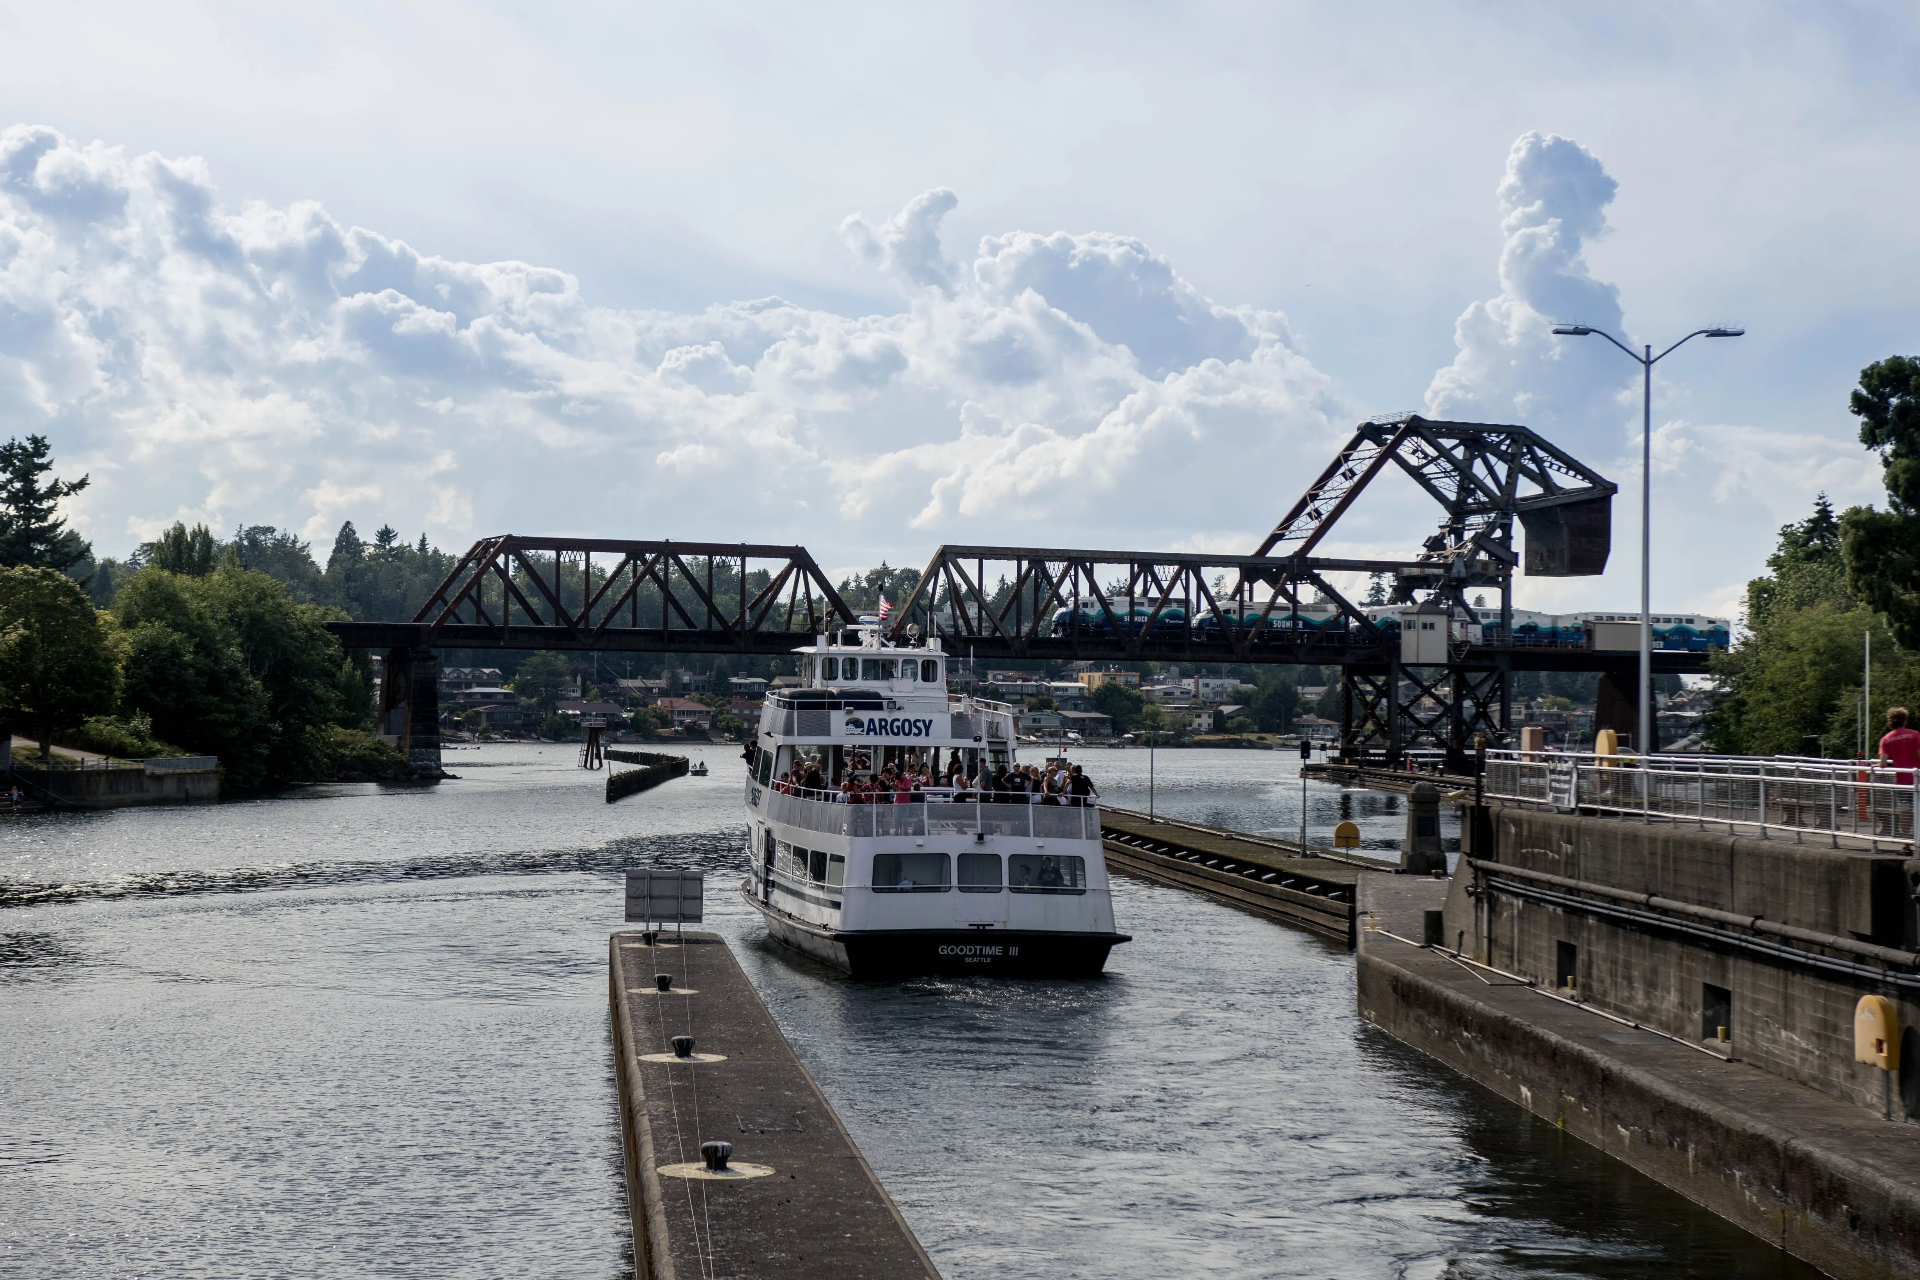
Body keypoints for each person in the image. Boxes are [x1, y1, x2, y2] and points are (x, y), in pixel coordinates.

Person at [1879, 707, 1919, 786]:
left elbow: (1883, 763)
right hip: (1917, 778)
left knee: (1903, 798)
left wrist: (1879, 764)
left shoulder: (1886, 739)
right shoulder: (1915, 735)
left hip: (1901, 782)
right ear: (1904, 721)